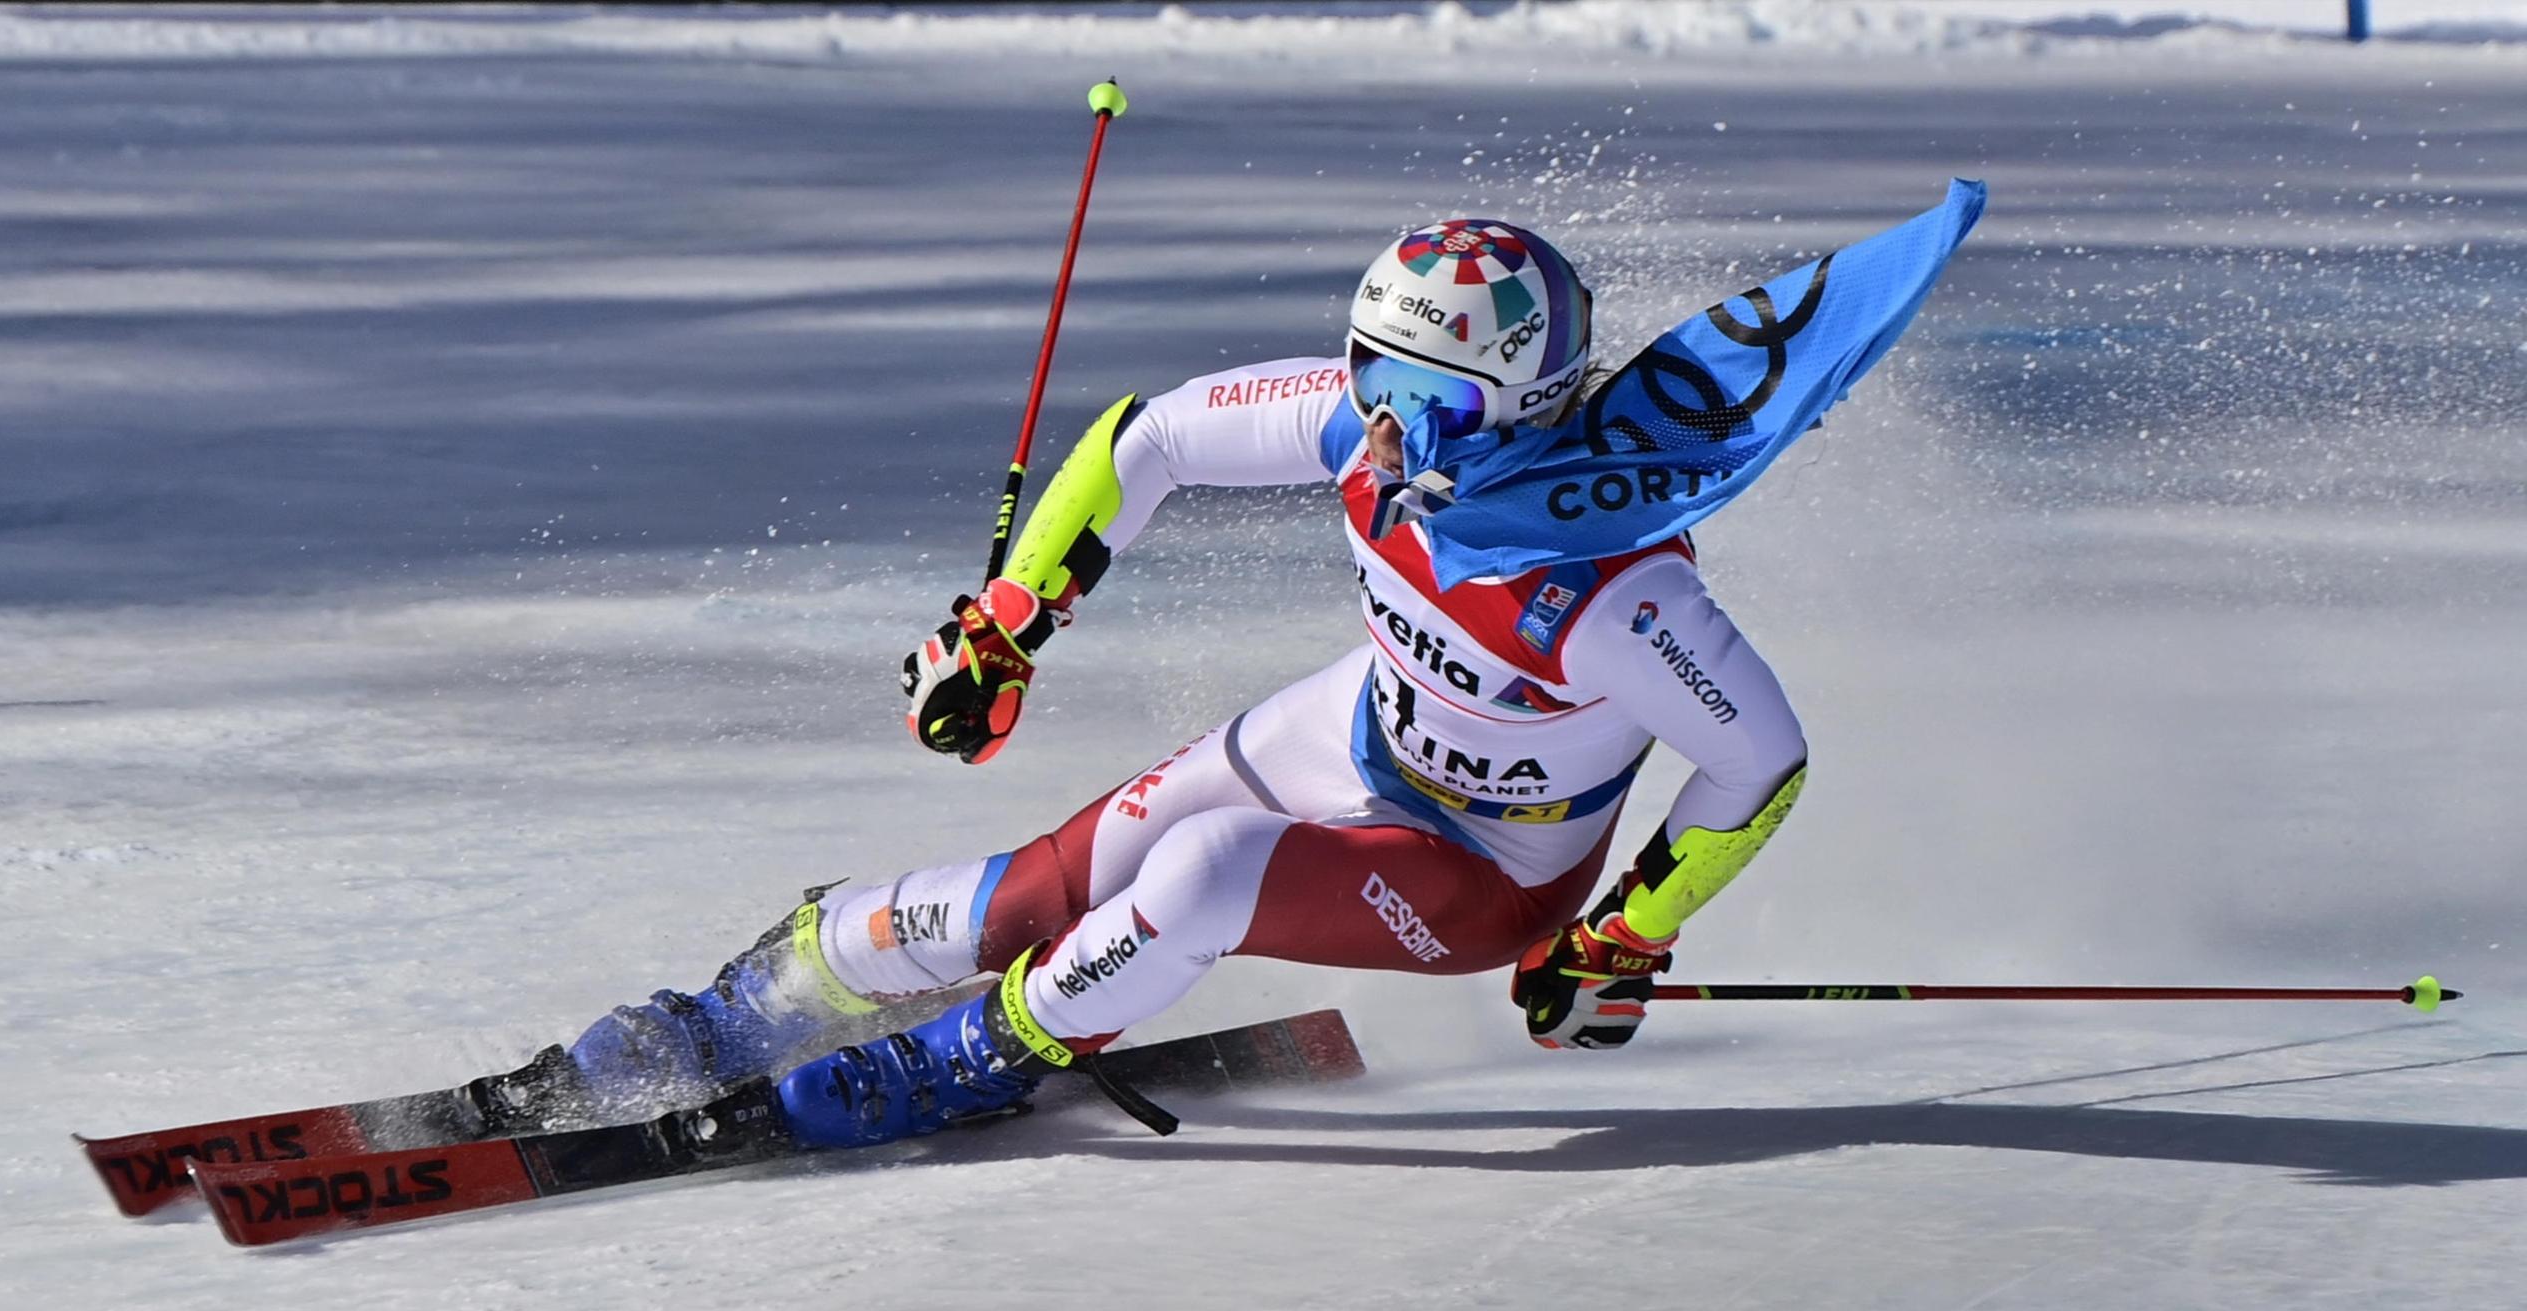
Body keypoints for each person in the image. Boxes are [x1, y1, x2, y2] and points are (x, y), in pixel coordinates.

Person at [507, 217, 1811, 1150]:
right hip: (1354, 735)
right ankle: (746, 1004)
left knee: (1202, 869)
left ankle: (982, 1055)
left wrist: (1617, 934)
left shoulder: (1614, 590)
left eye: (1437, 405)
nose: (1389, 430)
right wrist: (1008, 623)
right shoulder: (1361, 434)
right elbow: (1154, 439)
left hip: (1489, 868)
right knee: (1023, 895)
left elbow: (1761, 754)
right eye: (1373, 376)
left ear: (1533, 409)